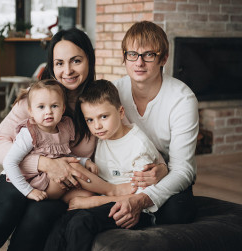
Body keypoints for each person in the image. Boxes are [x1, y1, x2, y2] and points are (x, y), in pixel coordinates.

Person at [0, 27, 168, 251]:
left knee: (40, 215)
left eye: (76, 61)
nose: (67, 70)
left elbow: (133, 135)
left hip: (61, 191)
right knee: (10, 202)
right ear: (51, 66)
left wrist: (161, 168)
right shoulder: (38, 99)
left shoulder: (97, 102)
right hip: (19, 179)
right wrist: (46, 163)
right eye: (59, 63)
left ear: (89, 60)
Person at [44, 21, 199, 251]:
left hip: (161, 176)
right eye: (133, 54)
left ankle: (140, 217)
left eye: (148, 55)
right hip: (119, 177)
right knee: (66, 218)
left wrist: (146, 192)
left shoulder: (182, 100)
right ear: (124, 58)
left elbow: (184, 170)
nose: (139, 62)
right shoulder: (114, 92)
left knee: (177, 208)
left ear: (163, 59)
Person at [3, 79, 136, 203]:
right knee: (73, 168)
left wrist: (84, 161)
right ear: (31, 112)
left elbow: (63, 156)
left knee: (88, 195)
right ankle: (113, 190)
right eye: (41, 107)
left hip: (60, 185)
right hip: (41, 186)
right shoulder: (29, 133)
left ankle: (119, 199)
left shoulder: (63, 128)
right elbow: (9, 162)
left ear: (63, 109)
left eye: (54, 106)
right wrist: (28, 191)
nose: (48, 111)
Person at [66, 79, 166, 211]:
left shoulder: (138, 146)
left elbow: (142, 197)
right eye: (90, 120)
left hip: (125, 202)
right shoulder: (103, 135)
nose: (97, 126)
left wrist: (95, 201)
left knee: (79, 218)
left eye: (103, 117)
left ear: (121, 112)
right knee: (72, 170)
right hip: (106, 191)